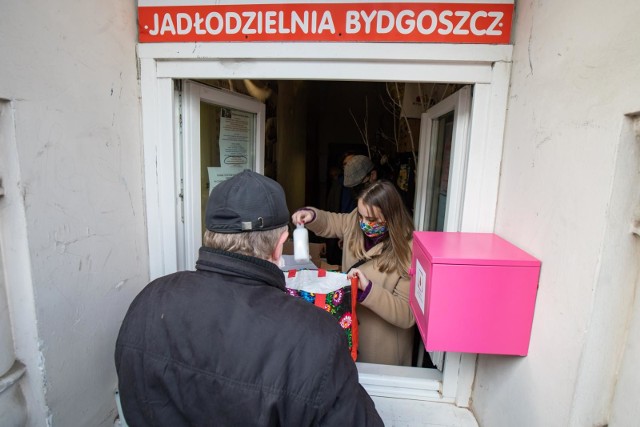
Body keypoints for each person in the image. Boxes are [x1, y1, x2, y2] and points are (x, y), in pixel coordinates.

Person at [115, 170, 383, 426]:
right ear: (281, 244)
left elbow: (131, 397)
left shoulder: (150, 299)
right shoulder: (314, 336)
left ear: (212, 235)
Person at [291, 180, 415, 366]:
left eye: (371, 220)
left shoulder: (409, 250)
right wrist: (312, 215)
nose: (363, 224)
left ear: (391, 217)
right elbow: (332, 222)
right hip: (350, 337)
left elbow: (407, 315)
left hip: (382, 349)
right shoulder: (354, 222)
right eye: (360, 216)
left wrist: (369, 290)